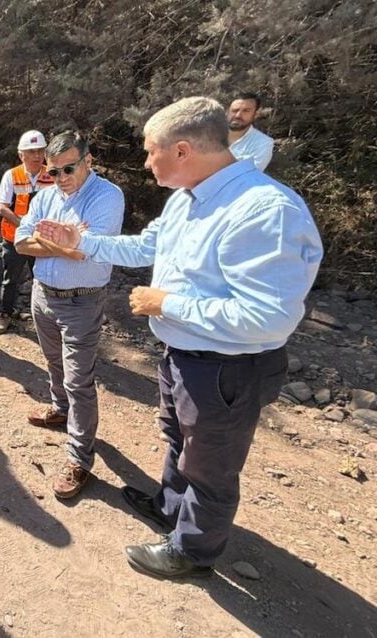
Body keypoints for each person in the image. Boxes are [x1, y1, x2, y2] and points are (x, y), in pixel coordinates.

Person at [37, 96, 323, 578]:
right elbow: (146, 245)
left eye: (152, 152)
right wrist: (80, 242)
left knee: (210, 465)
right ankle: (169, 507)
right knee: (177, 438)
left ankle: (192, 551)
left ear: (184, 150)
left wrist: (164, 304)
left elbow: (268, 317)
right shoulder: (187, 197)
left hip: (227, 368)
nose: (147, 163)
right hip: (184, 355)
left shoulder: (265, 211)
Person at [14, 131, 124, 499]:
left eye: (68, 169)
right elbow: (19, 241)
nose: (60, 178)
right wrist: (62, 241)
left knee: (79, 380)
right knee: (52, 362)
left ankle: (80, 458)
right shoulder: (46, 195)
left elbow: (83, 254)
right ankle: (59, 410)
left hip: (82, 301)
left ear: (88, 161)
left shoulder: (107, 196)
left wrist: (56, 244)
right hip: (43, 295)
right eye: (53, 170)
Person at [0, 130, 54, 335]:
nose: (37, 156)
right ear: (22, 155)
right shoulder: (12, 175)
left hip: (42, 240)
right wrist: (24, 225)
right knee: (10, 278)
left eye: (40, 151)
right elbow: (3, 208)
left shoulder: (53, 174)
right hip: (15, 238)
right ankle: (5, 313)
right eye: (32, 151)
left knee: (44, 278)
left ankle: (44, 320)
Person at [227, 92, 274, 171]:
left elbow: (249, 175)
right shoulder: (208, 134)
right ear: (227, 112)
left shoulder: (262, 143)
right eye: (235, 110)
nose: (238, 115)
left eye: (246, 111)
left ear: (256, 114)